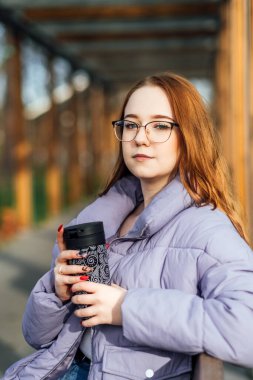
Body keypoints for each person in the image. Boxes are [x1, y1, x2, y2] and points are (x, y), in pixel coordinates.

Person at [3, 72, 253, 380]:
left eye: (160, 125)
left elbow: (246, 329)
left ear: (189, 136)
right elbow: (36, 337)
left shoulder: (207, 230)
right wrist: (56, 292)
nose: (140, 137)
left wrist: (126, 307)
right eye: (131, 124)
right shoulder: (104, 218)